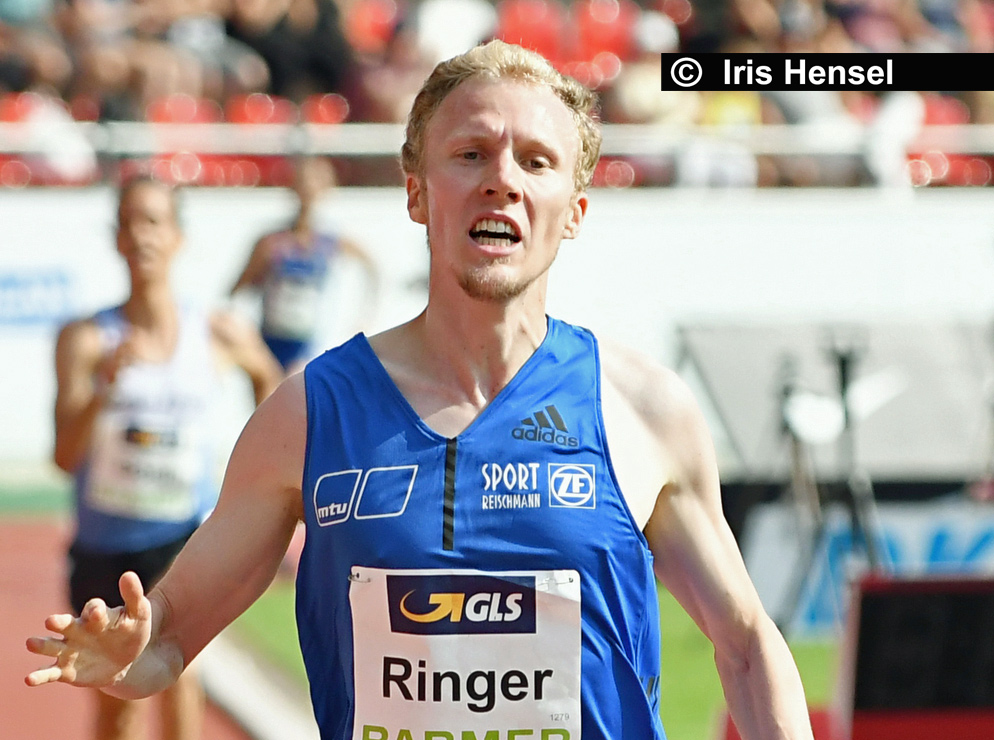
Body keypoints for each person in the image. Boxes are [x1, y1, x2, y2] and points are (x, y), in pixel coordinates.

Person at [26, 42, 814, 740]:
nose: (502, 180)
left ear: (573, 212)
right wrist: (127, 657)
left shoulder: (644, 410)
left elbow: (746, 643)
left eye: (536, 162)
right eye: (471, 153)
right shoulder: (309, 413)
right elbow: (168, 638)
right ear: (416, 193)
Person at [45, 174, 282, 740]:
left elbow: (274, 392)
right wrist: (103, 389)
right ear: (116, 239)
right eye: (129, 222)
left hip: (182, 540)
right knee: (115, 699)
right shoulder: (86, 339)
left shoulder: (218, 333)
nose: (141, 235)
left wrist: (257, 477)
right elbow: (64, 456)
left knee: (181, 677)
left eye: (153, 221)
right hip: (104, 547)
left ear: (178, 237)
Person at [230, 155, 380, 374]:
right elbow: (236, 290)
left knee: (299, 384)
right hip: (271, 338)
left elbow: (371, 269)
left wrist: (364, 319)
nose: (308, 191)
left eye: (315, 184)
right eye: (302, 183)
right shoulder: (273, 242)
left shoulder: (331, 243)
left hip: (308, 343)